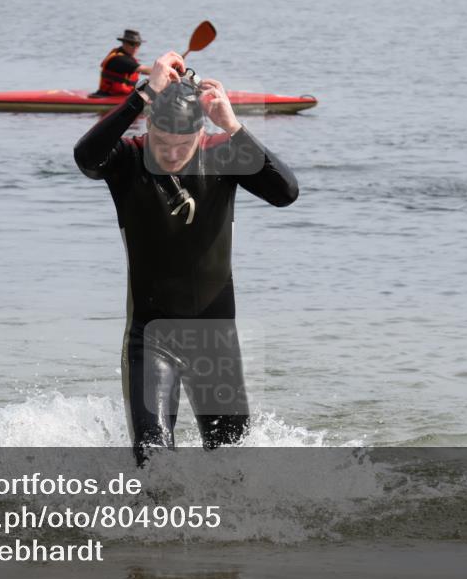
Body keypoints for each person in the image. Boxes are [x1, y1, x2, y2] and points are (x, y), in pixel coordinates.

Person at [73, 52, 299, 464]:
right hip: (151, 338)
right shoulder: (127, 160)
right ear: (150, 128)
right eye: (162, 143)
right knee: (155, 462)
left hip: (214, 340)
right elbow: (85, 157)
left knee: (235, 464)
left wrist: (232, 125)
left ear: (200, 134)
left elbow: (285, 193)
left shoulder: (222, 156)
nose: (172, 155)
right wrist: (144, 94)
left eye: (183, 145)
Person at [93, 29, 152, 97]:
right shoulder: (119, 59)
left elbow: (147, 72)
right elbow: (144, 69)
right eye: (132, 44)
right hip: (109, 95)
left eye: (138, 44)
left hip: (124, 95)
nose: (135, 47)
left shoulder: (129, 58)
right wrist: (164, 70)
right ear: (124, 43)